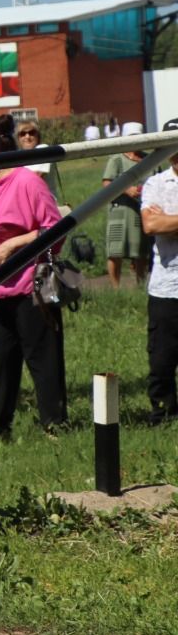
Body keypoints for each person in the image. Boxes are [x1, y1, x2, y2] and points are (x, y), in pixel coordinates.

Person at [0, 115, 67, 439]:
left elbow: (55, 228)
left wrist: (14, 243)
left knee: (43, 359)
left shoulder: (26, 181)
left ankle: (54, 425)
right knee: (0, 360)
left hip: (31, 286)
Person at [140, 120, 178, 424]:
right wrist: (162, 222)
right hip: (166, 287)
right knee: (162, 358)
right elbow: (151, 225)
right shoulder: (156, 184)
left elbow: (163, 223)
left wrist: (171, 221)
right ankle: (163, 414)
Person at [105, 125, 150, 289]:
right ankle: (115, 289)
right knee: (115, 251)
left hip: (141, 211)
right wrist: (126, 189)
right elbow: (107, 183)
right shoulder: (116, 159)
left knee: (140, 250)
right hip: (119, 211)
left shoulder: (149, 159)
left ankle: (141, 285)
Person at [16, 119, 65, 206]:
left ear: (38, 136)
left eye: (31, 133)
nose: (27, 136)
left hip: (45, 204)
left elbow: (35, 178)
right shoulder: (17, 156)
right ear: (18, 138)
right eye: (23, 134)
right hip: (27, 205)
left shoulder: (43, 149)